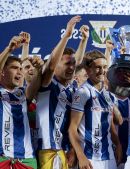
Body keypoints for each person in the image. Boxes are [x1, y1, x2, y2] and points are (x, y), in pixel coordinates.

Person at [35, 15, 89, 169]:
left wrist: (83, 40)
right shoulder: (48, 84)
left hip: (65, 150)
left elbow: (76, 61)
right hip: (48, 150)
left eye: (73, 64)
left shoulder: (72, 88)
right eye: (66, 64)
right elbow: (51, 65)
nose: (72, 67)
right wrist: (67, 35)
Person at [69, 50, 122, 169]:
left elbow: (112, 123)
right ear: (88, 70)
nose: (102, 71)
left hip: (108, 156)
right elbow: (72, 128)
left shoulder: (108, 94)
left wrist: (118, 144)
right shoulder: (83, 92)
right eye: (98, 67)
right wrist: (80, 155)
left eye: (105, 67)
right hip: (89, 157)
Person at [0, 35, 43, 169]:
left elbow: (36, 83)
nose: (19, 72)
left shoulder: (23, 94)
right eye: (14, 68)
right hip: (3, 158)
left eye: (20, 68)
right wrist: (9, 49)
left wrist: (39, 69)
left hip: (27, 160)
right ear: (2, 72)